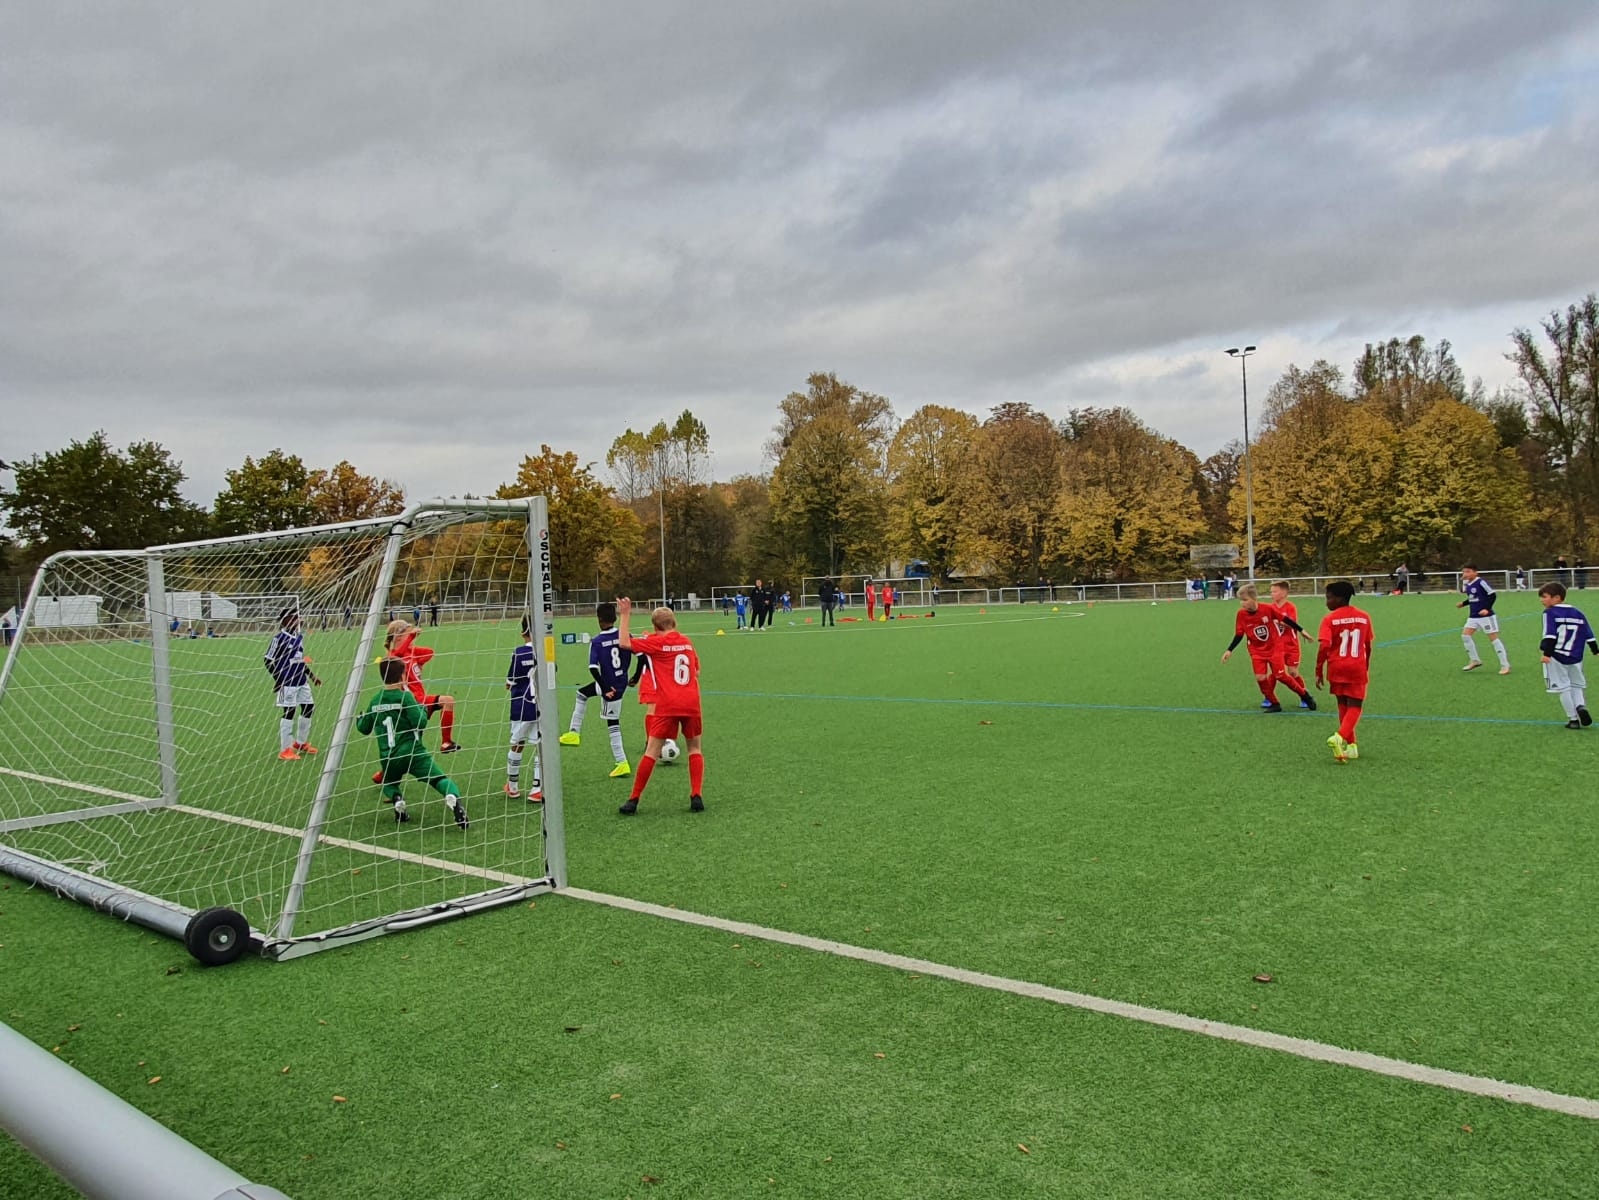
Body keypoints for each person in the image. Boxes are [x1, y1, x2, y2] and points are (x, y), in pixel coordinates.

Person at [356, 657, 469, 828]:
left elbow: (364, 728)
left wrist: (360, 719)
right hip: (413, 753)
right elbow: (420, 723)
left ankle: (397, 800)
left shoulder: (375, 700)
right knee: (439, 779)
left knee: (389, 784)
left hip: (388, 756)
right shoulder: (406, 697)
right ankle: (453, 798)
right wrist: (422, 709)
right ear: (403, 676)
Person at [615, 597, 704, 815]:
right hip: (691, 702)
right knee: (694, 748)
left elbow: (624, 643)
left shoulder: (656, 643)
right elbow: (697, 671)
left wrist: (625, 615)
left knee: (652, 751)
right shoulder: (687, 642)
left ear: (655, 627)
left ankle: (633, 800)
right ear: (674, 623)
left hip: (667, 704)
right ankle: (696, 795)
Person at [557, 601, 633, 778]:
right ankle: (574, 733)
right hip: (620, 682)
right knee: (582, 694)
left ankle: (622, 762)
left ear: (599, 619)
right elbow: (642, 657)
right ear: (615, 618)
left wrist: (605, 688)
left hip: (609, 686)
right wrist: (635, 677)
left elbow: (593, 668)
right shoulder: (625, 635)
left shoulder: (597, 641)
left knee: (613, 722)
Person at [1220, 583, 1316, 712]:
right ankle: (1274, 703)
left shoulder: (1267, 609)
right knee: (1260, 678)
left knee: (1281, 676)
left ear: (1254, 598)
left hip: (1274, 648)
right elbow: (1239, 634)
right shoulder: (1241, 614)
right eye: (1240, 600)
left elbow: (1285, 619)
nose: (1242, 603)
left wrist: (1301, 630)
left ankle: (1304, 695)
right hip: (1256, 651)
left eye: (1245, 600)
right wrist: (1229, 650)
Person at [1317, 580, 1374, 763]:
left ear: (1340, 599)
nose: (1327, 602)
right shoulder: (1364, 617)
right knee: (1355, 705)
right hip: (1356, 666)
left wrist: (1319, 669)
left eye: (1329, 598)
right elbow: (1367, 645)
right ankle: (1340, 737)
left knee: (1342, 704)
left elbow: (1324, 646)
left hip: (1336, 666)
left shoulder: (1329, 620)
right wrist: (1365, 666)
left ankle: (1351, 746)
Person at [385, 619, 461, 752]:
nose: (412, 639)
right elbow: (398, 655)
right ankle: (445, 743)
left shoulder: (410, 652)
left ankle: (446, 743)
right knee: (411, 744)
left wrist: (418, 661)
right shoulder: (393, 656)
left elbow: (429, 652)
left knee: (448, 702)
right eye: (408, 635)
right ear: (398, 637)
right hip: (410, 702)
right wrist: (411, 638)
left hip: (421, 698)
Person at [264, 607, 323, 760]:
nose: (296, 621)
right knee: (289, 712)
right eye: (293, 618)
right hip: (287, 682)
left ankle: (300, 743)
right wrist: (278, 680)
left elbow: (299, 660)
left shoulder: (299, 637)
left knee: (309, 707)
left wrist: (312, 676)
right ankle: (285, 750)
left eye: (297, 618)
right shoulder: (278, 638)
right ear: (285, 620)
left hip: (301, 680)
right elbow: (268, 660)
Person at [1537, 582, 1596, 728]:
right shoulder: (1578, 612)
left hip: (1556, 655)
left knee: (1563, 688)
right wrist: (1595, 650)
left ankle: (1573, 720)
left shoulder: (1549, 613)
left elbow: (1550, 635)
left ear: (1557, 598)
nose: (1541, 600)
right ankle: (1580, 706)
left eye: (1544, 597)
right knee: (1577, 685)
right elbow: (1589, 634)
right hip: (1576, 656)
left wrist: (1546, 654)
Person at [504, 616, 543, 801]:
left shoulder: (519, 653)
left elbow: (510, 682)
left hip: (521, 706)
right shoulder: (544, 651)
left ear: (523, 633)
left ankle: (513, 786)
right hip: (541, 706)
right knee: (539, 746)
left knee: (517, 743)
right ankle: (537, 788)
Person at [1457, 564, 1510, 675]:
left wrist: (1487, 608)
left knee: (1494, 639)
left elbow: (1492, 595)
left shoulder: (1481, 582)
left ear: (1475, 572)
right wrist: (1463, 603)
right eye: (1464, 572)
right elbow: (1472, 597)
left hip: (1486, 617)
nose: (1465, 574)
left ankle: (1505, 665)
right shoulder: (1468, 584)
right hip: (1473, 616)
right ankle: (1475, 660)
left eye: (1468, 571)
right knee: (1465, 636)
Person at [1267, 581, 1313, 708]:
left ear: (1284, 593)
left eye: (1274, 591)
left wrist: (1277, 620)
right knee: (1275, 672)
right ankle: (1269, 697)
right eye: (1271, 592)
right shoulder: (1270, 608)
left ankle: (1304, 695)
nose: (1271, 594)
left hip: (1291, 646)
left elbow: (1291, 623)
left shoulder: (1290, 607)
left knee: (1293, 672)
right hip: (1276, 647)